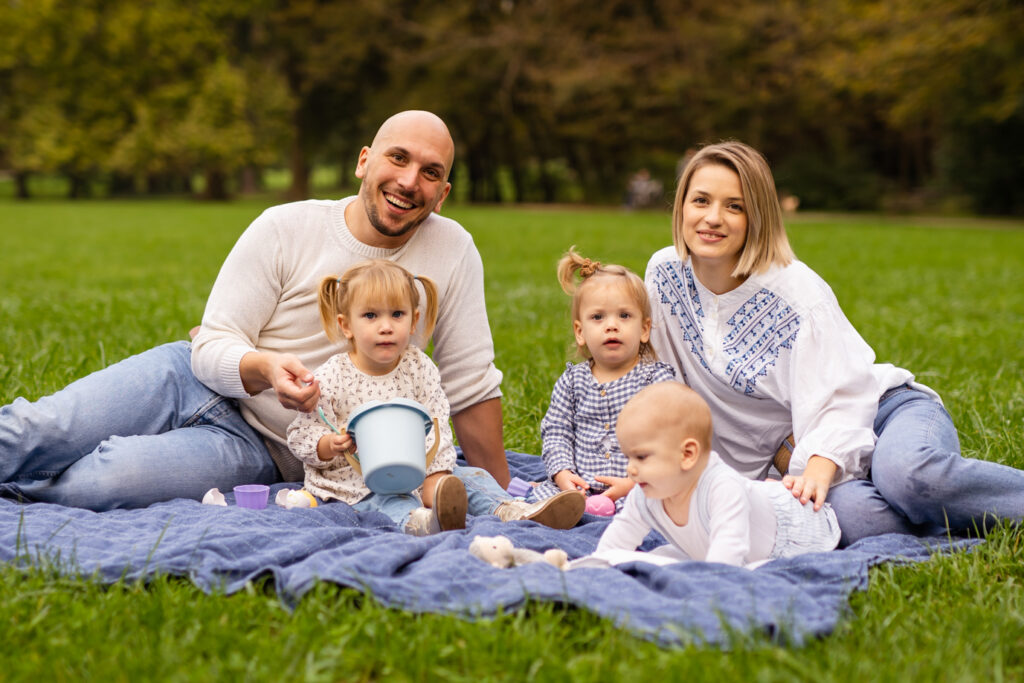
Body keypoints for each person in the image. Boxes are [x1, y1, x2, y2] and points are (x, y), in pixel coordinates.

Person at [0, 110, 510, 510]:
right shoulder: (284, 226)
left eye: (430, 173)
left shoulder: (453, 250)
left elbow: (470, 383)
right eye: (398, 158)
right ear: (363, 162)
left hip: (265, 447)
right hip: (190, 377)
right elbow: (211, 344)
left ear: (442, 195)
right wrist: (264, 367)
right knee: (43, 430)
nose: (409, 180)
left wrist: (504, 500)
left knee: (106, 480)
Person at [645, 140, 1024, 546]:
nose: (712, 218)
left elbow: (844, 398)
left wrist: (820, 466)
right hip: (796, 454)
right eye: (701, 200)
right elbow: (657, 380)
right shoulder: (665, 275)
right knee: (857, 520)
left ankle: (937, 491)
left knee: (909, 478)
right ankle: (949, 510)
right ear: (681, 206)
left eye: (734, 206)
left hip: (878, 413)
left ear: (758, 216)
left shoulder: (796, 292)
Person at [286, 259, 583, 534]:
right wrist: (328, 445)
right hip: (359, 483)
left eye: (397, 314)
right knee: (392, 501)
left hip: (417, 469)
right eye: (371, 315)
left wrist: (435, 474)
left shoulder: (417, 366)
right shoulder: (333, 376)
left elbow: (437, 424)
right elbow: (302, 434)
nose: (386, 326)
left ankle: (514, 510)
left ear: (414, 320)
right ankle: (423, 523)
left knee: (472, 478)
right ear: (346, 325)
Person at [594, 383, 840, 567]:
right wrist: (593, 571)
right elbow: (614, 544)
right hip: (721, 537)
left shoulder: (721, 488)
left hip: (790, 531)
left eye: (641, 457)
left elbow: (726, 557)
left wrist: (706, 587)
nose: (630, 469)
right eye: (628, 457)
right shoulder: (644, 495)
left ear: (687, 454)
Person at [530, 247, 676, 511]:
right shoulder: (572, 381)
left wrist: (638, 482)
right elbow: (556, 432)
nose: (611, 325)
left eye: (624, 316)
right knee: (538, 501)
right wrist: (563, 474)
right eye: (598, 317)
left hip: (637, 490)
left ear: (644, 329)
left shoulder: (656, 381)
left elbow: (671, 440)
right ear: (580, 332)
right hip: (578, 490)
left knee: (659, 506)